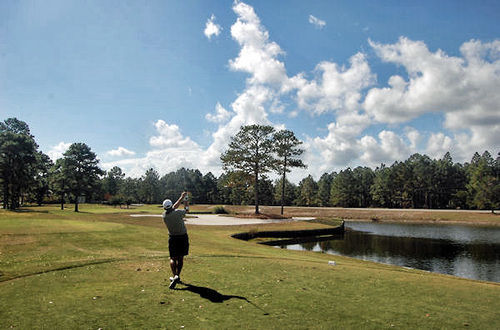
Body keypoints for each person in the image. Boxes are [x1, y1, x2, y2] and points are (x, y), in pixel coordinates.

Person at [162, 191, 189, 289]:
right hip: (182, 237)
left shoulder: (164, 215)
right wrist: (185, 200)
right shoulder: (177, 213)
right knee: (180, 258)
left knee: (173, 258)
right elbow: (186, 210)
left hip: (172, 238)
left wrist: (181, 197)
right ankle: (177, 275)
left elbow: (173, 207)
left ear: (164, 208)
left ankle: (175, 276)